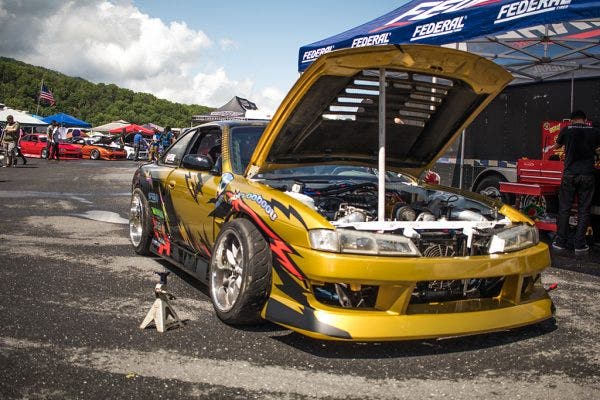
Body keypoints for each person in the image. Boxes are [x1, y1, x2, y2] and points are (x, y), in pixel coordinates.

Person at [552, 110, 600, 254]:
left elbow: (556, 147)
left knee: (564, 208)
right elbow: (598, 149)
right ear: (585, 120)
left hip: (570, 175)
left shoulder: (567, 129)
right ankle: (579, 245)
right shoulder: (594, 131)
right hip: (587, 175)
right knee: (584, 210)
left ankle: (560, 242)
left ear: (572, 120)